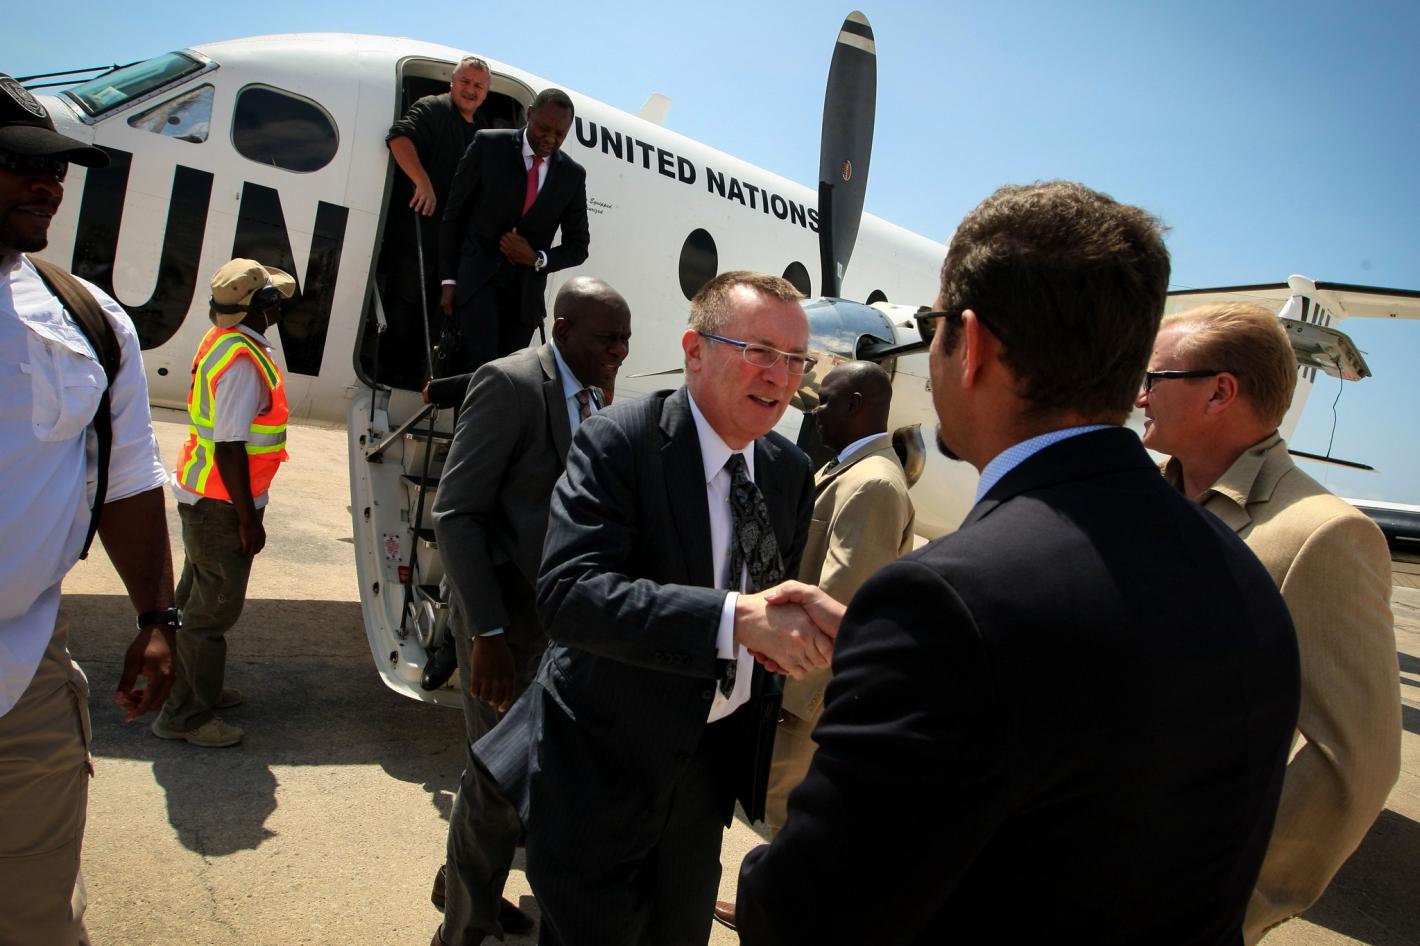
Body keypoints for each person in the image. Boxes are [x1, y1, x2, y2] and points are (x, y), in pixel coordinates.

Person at [735, 181, 1302, 945]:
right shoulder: (1246, 580)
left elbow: (809, 916)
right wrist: (899, 659)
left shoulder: (946, 607)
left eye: (932, 328)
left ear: (973, 347)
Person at [474, 271, 834, 945]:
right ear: (694, 350)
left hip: (706, 775)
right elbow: (570, 594)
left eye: (796, 360)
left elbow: (765, 588)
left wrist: (787, 640)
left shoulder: (787, 472)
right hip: (603, 767)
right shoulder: (621, 441)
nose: (781, 378)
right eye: (759, 351)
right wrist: (732, 620)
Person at [1138, 301, 1401, 943]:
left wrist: (1227, 904)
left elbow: (1355, 762)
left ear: (1220, 392)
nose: (1139, 395)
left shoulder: (1322, 534)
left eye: (1156, 379)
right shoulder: (1141, 499)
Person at [0, 72, 178, 944]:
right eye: (18, 164)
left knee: (35, 919)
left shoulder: (91, 321)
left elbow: (128, 481)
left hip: (21, 670)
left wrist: (157, 616)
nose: (49, 185)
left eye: (56, 168)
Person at [428, 277, 632, 946]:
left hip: (562, 628)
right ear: (563, 329)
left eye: (625, 340)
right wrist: (484, 632)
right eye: (607, 339)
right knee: (496, 784)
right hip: (505, 628)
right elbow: (457, 513)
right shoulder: (511, 384)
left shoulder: (595, 394)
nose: (619, 352)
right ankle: (465, 930)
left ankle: (466, 890)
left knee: (533, 783)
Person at [714, 360, 915, 932]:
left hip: (805, 690)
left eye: (823, 402)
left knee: (788, 818)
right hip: (798, 681)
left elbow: (841, 603)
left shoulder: (873, 483)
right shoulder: (852, 471)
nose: (813, 411)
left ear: (856, 404)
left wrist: (789, 696)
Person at [152, 258, 294, 748]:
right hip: (221, 504)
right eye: (273, 298)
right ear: (263, 307)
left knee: (195, 598)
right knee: (210, 613)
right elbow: (231, 446)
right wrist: (247, 519)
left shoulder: (224, 341)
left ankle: (196, 685)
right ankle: (185, 715)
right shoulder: (242, 364)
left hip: (203, 493)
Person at [438, 88, 590, 375]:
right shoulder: (487, 145)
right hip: (477, 283)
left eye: (560, 134)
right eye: (544, 128)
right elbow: (453, 216)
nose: (550, 139)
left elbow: (578, 246)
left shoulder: (572, 175)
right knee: (477, 370)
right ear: (529, 114)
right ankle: (467, 423)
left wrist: (536, 258)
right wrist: (448, 280)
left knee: (506, 382)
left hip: (523, 299)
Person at [381, 57, 495, 386]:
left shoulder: (482, 129)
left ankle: (420, 380)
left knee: (436, 313)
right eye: (465, 82)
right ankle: (390, 375)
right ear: (452, 82)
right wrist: (422, 181)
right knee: (405, 302)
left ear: (486, 92)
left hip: (453, 245)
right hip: (419, 230)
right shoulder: (433, 108)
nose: (470, 90)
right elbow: (399, 139)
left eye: (478, 86)